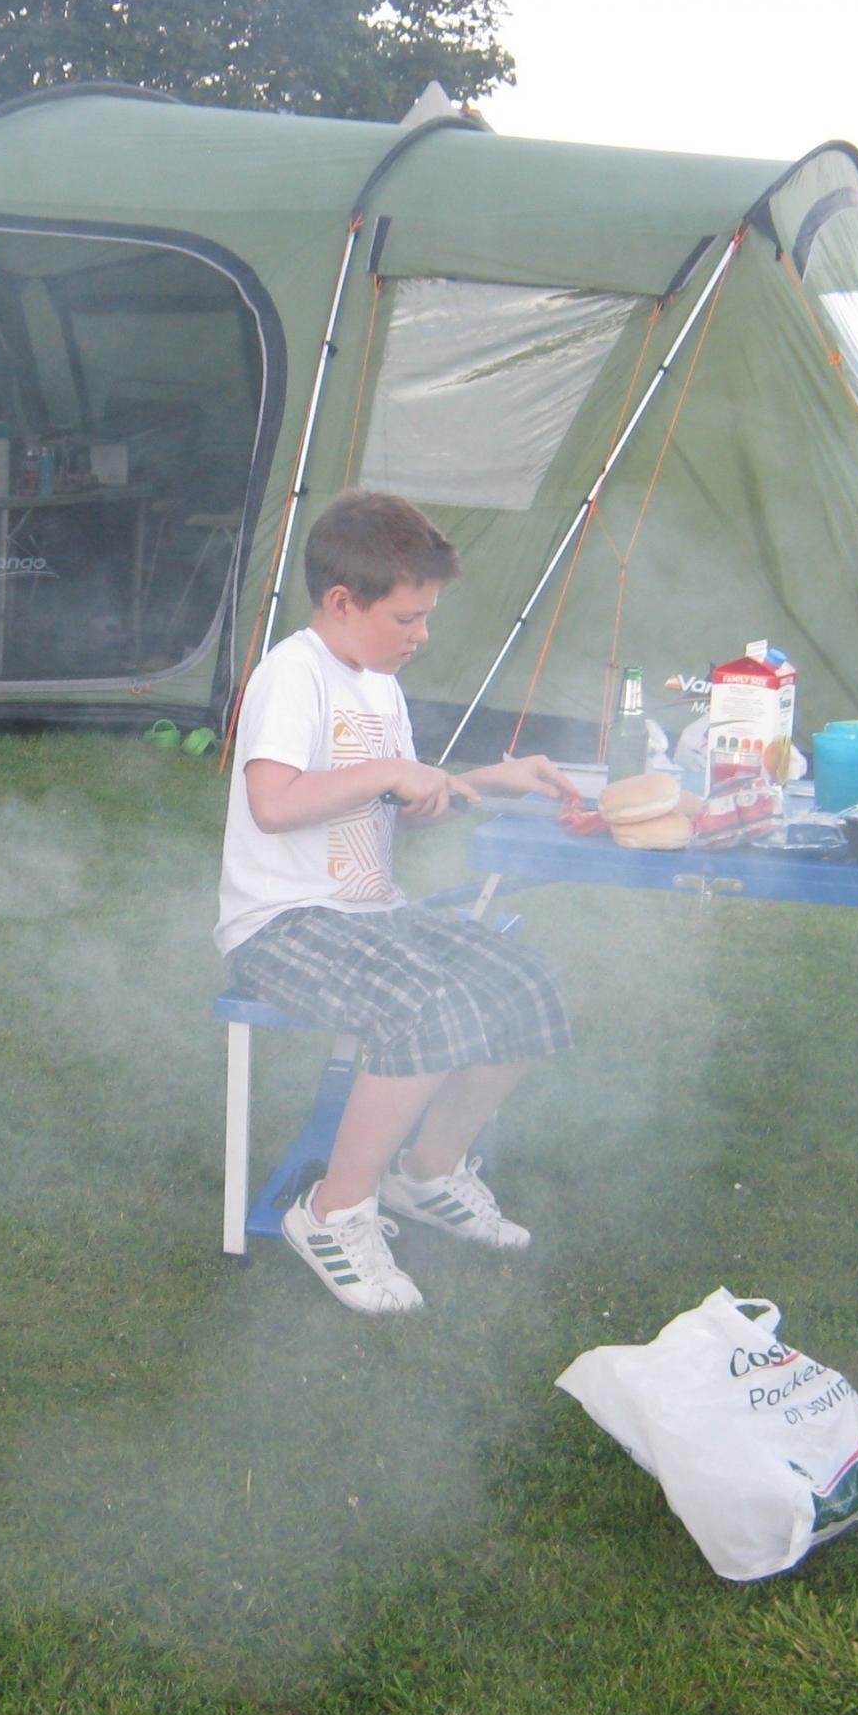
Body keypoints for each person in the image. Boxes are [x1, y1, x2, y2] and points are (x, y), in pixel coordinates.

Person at [216, 489, 575, 1315]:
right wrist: (387, 774)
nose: (423, 635)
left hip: (373, 910)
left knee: (527, 983)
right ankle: (333, 1212)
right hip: (284, 921)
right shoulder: (293, 673)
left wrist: (487, 779)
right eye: (409, 618)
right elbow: (273, 801)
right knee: (428, 1008)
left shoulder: (380, 682)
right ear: (343, 602)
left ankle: (429, 1173)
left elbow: (398, 799)